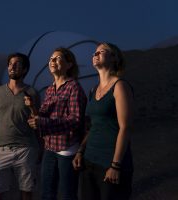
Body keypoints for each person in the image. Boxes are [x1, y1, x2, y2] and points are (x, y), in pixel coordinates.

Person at [72, 42, 134, 200]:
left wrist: (115, 165)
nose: (95, 55)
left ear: (114, 58)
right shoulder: (94, 90)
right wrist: (80, 151)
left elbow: (125, 128)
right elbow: (93, 126)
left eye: (101, 52)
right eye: (94, 53)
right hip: (89, 161)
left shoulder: (119, 86)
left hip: (110, 163)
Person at [27, 47, 87, 200]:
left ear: (69, 64)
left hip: (67, 149)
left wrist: (43, 122)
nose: (52, 60)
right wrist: (33, 107)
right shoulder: (50, 89)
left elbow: (75, 120)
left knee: (68, 195)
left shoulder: (73, 87)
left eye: (58, 58)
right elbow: (43, 115)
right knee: (47, 194)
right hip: (50, 148)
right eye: (51, 58)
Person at [0, 52, 40, 200]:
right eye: (10, 64)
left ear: (25, 70)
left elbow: (37, 121)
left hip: (26, 148)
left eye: (17, 64)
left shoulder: (32, 93)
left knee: (26, 192)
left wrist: (33, 107)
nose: (12, 66)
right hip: (2, 148)